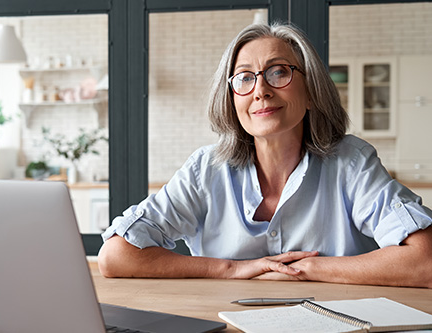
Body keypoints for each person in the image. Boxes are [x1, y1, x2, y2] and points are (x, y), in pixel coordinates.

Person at [98, 22, 432, 288]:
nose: (260, 90)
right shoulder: (206, 168)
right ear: (231, 99)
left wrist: (306, 267)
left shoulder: (351, 161)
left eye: (279, 72)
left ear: (312, 91)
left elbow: (425, 261)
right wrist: (233, 269)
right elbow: (117, 256)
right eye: (244, 78)